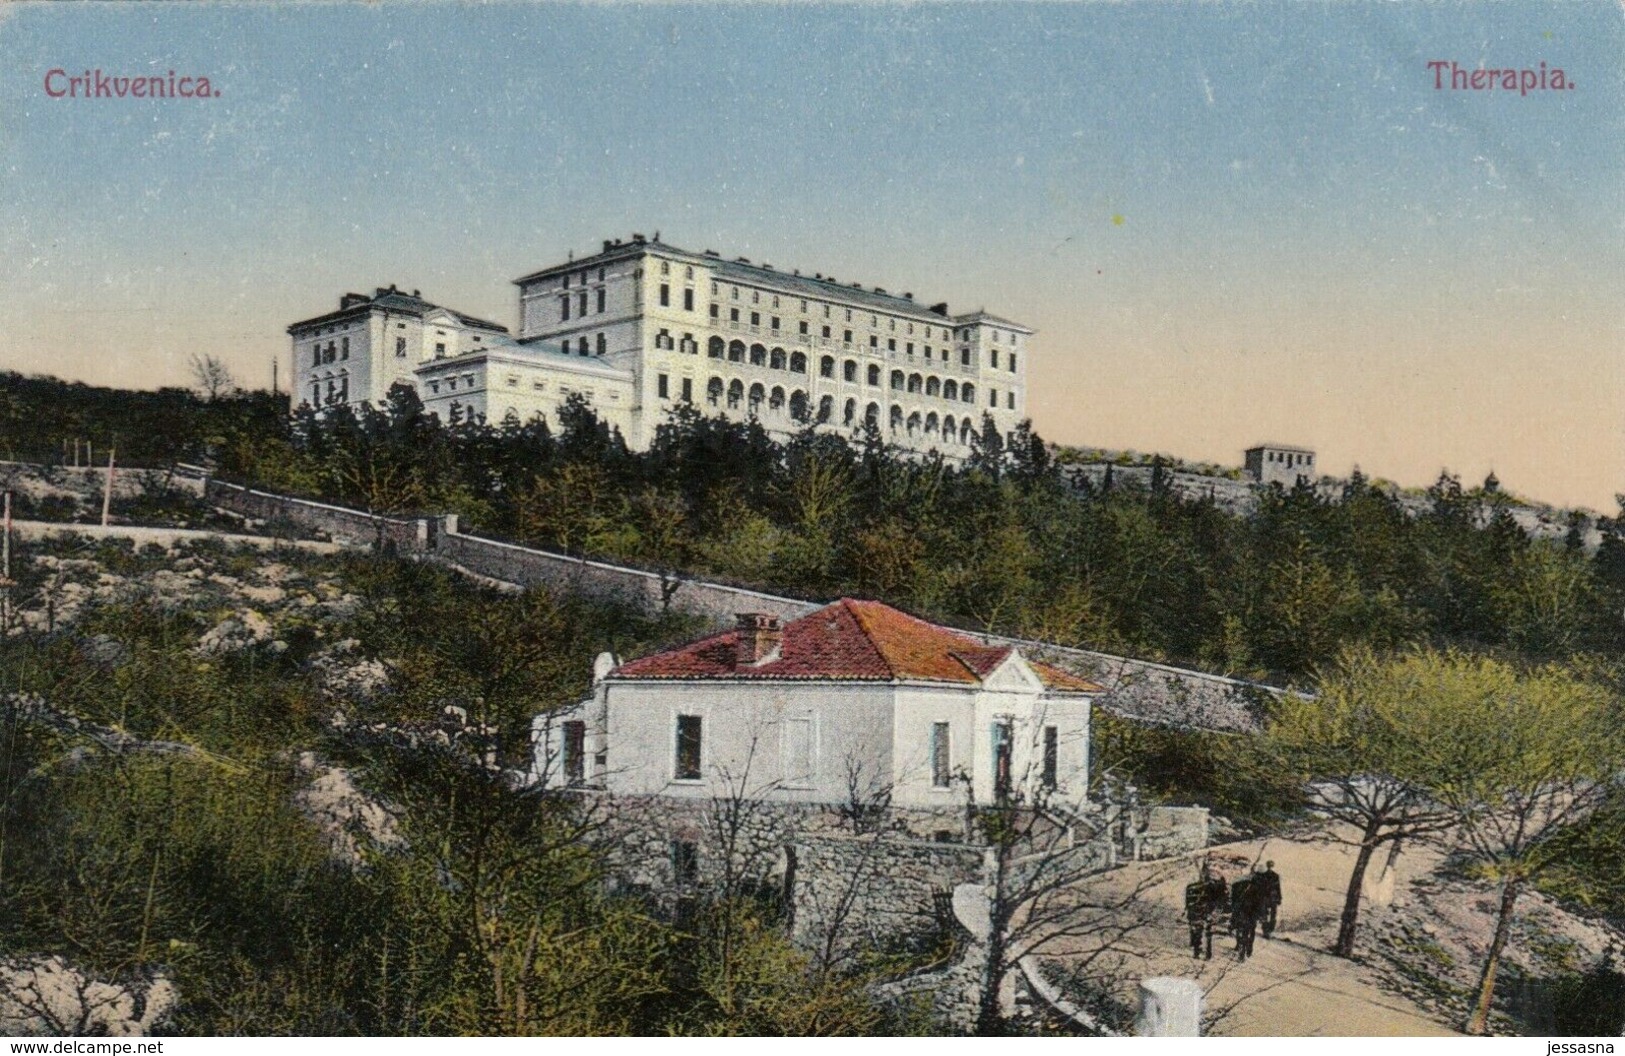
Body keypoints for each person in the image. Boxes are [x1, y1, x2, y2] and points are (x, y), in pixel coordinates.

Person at [1184, 859, 1227, 960]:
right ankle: (1208, 953)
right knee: (1208, 932)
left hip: (1195, 911)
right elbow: (1218, 900)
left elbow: (1188, 902)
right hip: (1206, 911)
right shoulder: (1213, 887)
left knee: (1196, 930)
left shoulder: (1191, 887)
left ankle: (1197, 951)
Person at [1230, 870, 1258, 961]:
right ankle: (1248, 948)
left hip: (1242, 913)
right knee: (1250, 930)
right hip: (1251, 914)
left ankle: (1241, 947)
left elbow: (1234, 902)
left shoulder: (1238, 886)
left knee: (1241, 930)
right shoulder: (1258, 889)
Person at [1260, 860, 1282, 938]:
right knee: (1264, 914)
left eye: (1271, 866)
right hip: (1265, 897)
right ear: (1267, 866)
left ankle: (1270, 930)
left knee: (1273, 915)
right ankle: (1265, 931)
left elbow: (1278, 887)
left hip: (1273, 898)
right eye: (1269, 866)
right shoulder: (1263, 876)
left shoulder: (1276, 876)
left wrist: (1279, 898)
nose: (1270, 867)